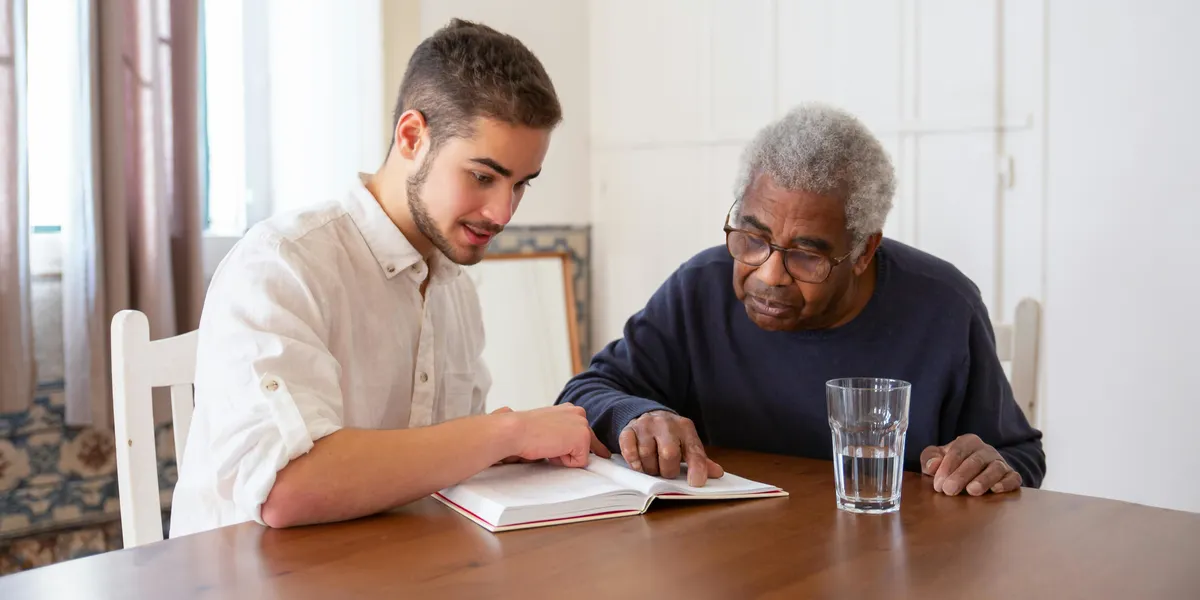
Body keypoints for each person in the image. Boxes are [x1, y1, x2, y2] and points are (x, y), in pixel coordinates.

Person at [170, 19, 608, 537]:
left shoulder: (455, 289)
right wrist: (506, 431)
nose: (503, 212)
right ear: (412, 136)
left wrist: (524, 453)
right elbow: (287, 489)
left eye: (520, 185)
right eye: (483, 177)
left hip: (391, 568)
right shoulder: (282, 263)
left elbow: (446, 464)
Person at [557, 103, 1045, 496]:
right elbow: (583, 394)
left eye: (806, 255)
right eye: (752, 238)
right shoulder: (699, 288)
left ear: (862, 251)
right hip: (732, 563)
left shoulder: (943, 306)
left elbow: (1018, 455)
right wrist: (638, 414)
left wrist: (988, 465)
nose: (768, 274)